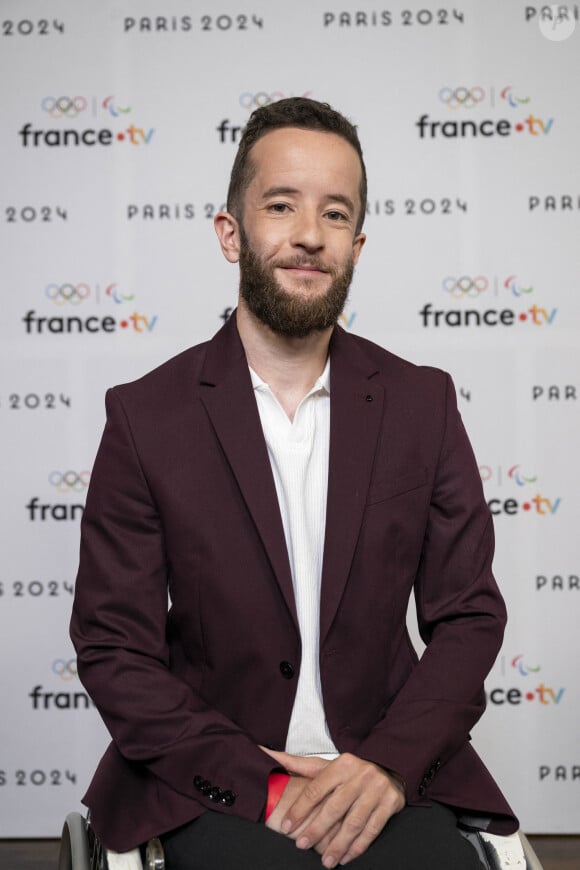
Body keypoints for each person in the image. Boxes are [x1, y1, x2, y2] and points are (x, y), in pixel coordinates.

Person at [71, 97, 517, 869]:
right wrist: (263, 786)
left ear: (357, 242)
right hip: (214, 779)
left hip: (390, 777)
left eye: (335, 214)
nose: (309, 234)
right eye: (281, 205)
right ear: (231, 233)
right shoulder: (146, 418)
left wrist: (384, 766)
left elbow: (470, 617)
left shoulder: (423, 404)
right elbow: (115, 648)